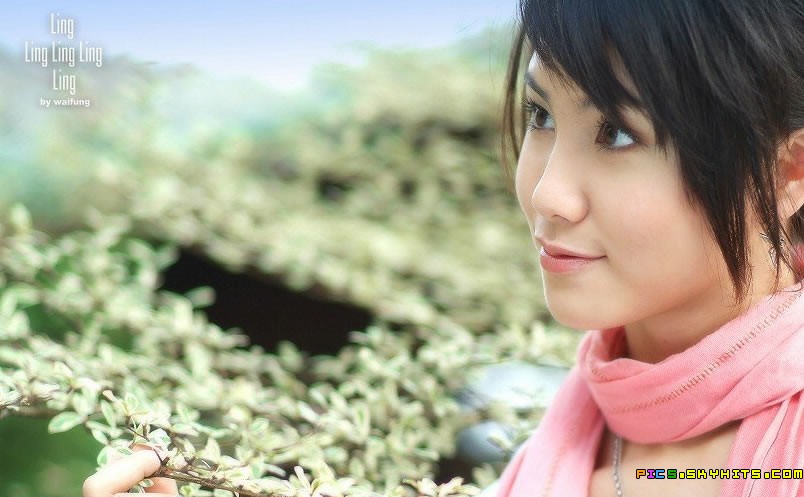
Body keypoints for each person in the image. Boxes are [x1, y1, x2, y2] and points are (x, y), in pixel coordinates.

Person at [84, 0, 804, 496]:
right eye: (541, 115)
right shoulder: (580, 432)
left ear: (788, 172)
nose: (548, 193)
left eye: (617, 132)